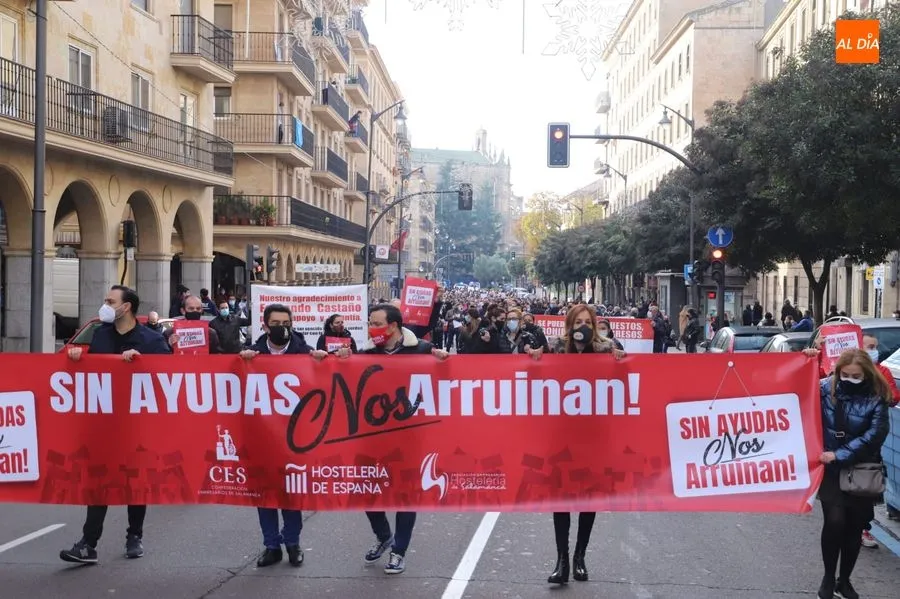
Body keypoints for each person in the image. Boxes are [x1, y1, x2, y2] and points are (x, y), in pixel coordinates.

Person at [59, 286, 171, 565]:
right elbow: (91, 375)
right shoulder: (100, 335)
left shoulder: (152, 341)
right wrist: (76, 359)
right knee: (99, 481)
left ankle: (134, 536)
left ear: (127, 307)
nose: (105, 305)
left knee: (135, 480)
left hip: (139, 424)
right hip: (104, 424)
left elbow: (170, 379)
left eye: (110, 301)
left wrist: (140, 364)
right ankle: (88, 543)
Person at [535, 305, 626, 585]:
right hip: (561, 433)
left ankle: (579, 557)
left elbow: (625, 379)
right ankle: (561, 561)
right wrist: (534, 357)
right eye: (579, 322)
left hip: (594, 435)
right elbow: (532, 373)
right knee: (560, 497)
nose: (583, 326)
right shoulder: (555, 347)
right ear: (570, 324)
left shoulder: (607, 348)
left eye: (588, 322)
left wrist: (620, 360)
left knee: (588, 498)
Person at [358, 303, 449, 574]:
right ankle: (384, 535)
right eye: (369, 323)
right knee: (368, 492)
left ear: (394, 325)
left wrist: (442, 360)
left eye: (376, 323)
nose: (371, 328)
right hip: (372, 435)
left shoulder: (421, 349)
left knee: (405, 496)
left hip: (409, 436)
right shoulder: (365, 352)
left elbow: (444, 376)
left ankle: (399, 550)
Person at [239, 304, 329, 567]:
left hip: (295, 439)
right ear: (265, 326)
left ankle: (292, 542)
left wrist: (328, 360)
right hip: (262, 437)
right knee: (265, 494)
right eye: (276, 323)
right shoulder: (252, 355)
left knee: (292, 494)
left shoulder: (305, 353)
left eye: (286, 322)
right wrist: (242, 360)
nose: (282, 327)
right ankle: (271, 546)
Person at [802, 348, 890, 599]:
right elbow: (797, 392)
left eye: (855, 376)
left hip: (861, 470)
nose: (849, 379)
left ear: (867, 374)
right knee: (835, 522)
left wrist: (840, 455)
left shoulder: (877, 397)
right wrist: (807, 360)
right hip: (831, 470)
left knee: (853, 528)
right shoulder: (823, 388)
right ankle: (829, 577)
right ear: (837, 371)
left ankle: (845, 580)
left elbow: (874, 435)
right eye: (845, 374)